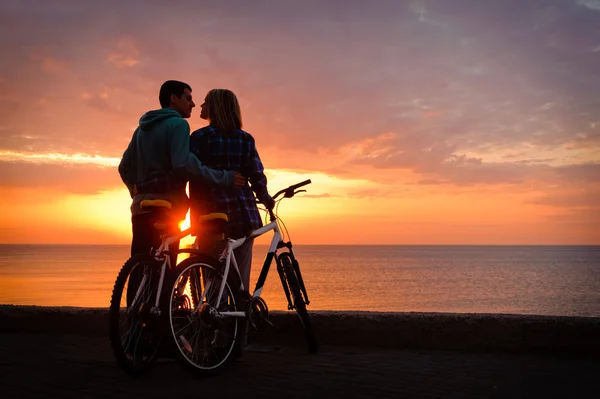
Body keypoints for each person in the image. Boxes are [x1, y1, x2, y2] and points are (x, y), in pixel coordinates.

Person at [118, 80, 245, 270]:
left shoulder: (141, 129)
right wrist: (224, 177)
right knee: (166, 269)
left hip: (141, 206)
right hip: (168, 207)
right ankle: (163, 298)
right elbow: (183, 164)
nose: (192, 104)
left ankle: (135, 300)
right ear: (173, 99)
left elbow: (124, 166)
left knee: (139, 267)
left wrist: (134, 189)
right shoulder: (178, 125)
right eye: (188, 98)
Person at [189, 88, 274, 304]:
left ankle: (216, 328)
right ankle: (239, 330)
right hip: (242, 214)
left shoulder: (199, 138)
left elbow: (192, 173)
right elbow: (256, 174)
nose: (201, 106)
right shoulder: (245, 139)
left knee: (213, 275)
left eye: (206, 102)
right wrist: (265, 197)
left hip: (211, 215)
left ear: (216, 107)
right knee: (240, 280)